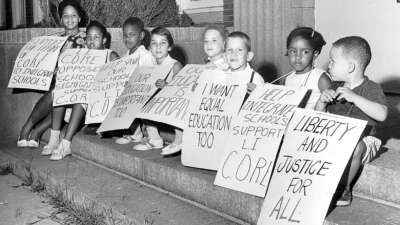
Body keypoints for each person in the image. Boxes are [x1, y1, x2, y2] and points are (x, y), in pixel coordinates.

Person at [315, 36, 388, 206]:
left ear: (350, 67)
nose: (329, 65)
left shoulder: (371, 88)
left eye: (333, 61)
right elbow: (318, 118)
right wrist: (321, 103)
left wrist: (355, 98)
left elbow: (382, 114)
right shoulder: (333, 87)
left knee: (356, 146)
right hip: (336, 136)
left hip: (364, 140)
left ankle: (344, 188)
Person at [42, 21, 119, 160]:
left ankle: (66, 144)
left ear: (104, 40)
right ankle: (54, 139)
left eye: (96, 37)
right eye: (89, 37)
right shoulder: (79, 55)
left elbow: (118, 78)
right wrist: (61, 72)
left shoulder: (110, 55)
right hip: (77, 102)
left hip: (97, 103)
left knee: (82, 96)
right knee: (60, 91)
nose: (91, 41)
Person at [17, 0, 87, 148]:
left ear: (79, 18)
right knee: (56, 92)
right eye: (65, 16)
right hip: (55, 83)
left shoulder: (88, 38)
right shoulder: (54, 40)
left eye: (73, 15)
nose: (70, 19)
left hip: (77, 86)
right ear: (61, 19)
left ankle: (35, 131)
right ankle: (27, 127)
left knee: (58, 93)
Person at [133, 27, 183, 155]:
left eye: (163, 43)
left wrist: (167, 86)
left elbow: (183, 91)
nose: (158, 47)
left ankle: (179, 139)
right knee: (140, 98)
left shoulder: (175, 65)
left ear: (170, 47)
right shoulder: (150, 67)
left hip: (173, 107)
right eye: (154, 43)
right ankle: (154, 138)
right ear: (149, 48)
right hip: (157, 107)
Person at [114, 17, 157, 145]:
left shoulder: (146, 55)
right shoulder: (125, 56)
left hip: (146, 93)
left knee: (135, 99)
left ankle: (154, 137)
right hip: (130, 94)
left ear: (141, 35)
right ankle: (133, 133)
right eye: (125, 35)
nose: (128, 38)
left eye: (132, 35)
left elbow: (150, 78)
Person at [279, 27, 331, 109]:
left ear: (315, 54)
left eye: (305, 52)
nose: (298, 57)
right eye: (293, 51)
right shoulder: (287, 79)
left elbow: (333, 110)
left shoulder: (321, 79)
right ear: (287, 52)